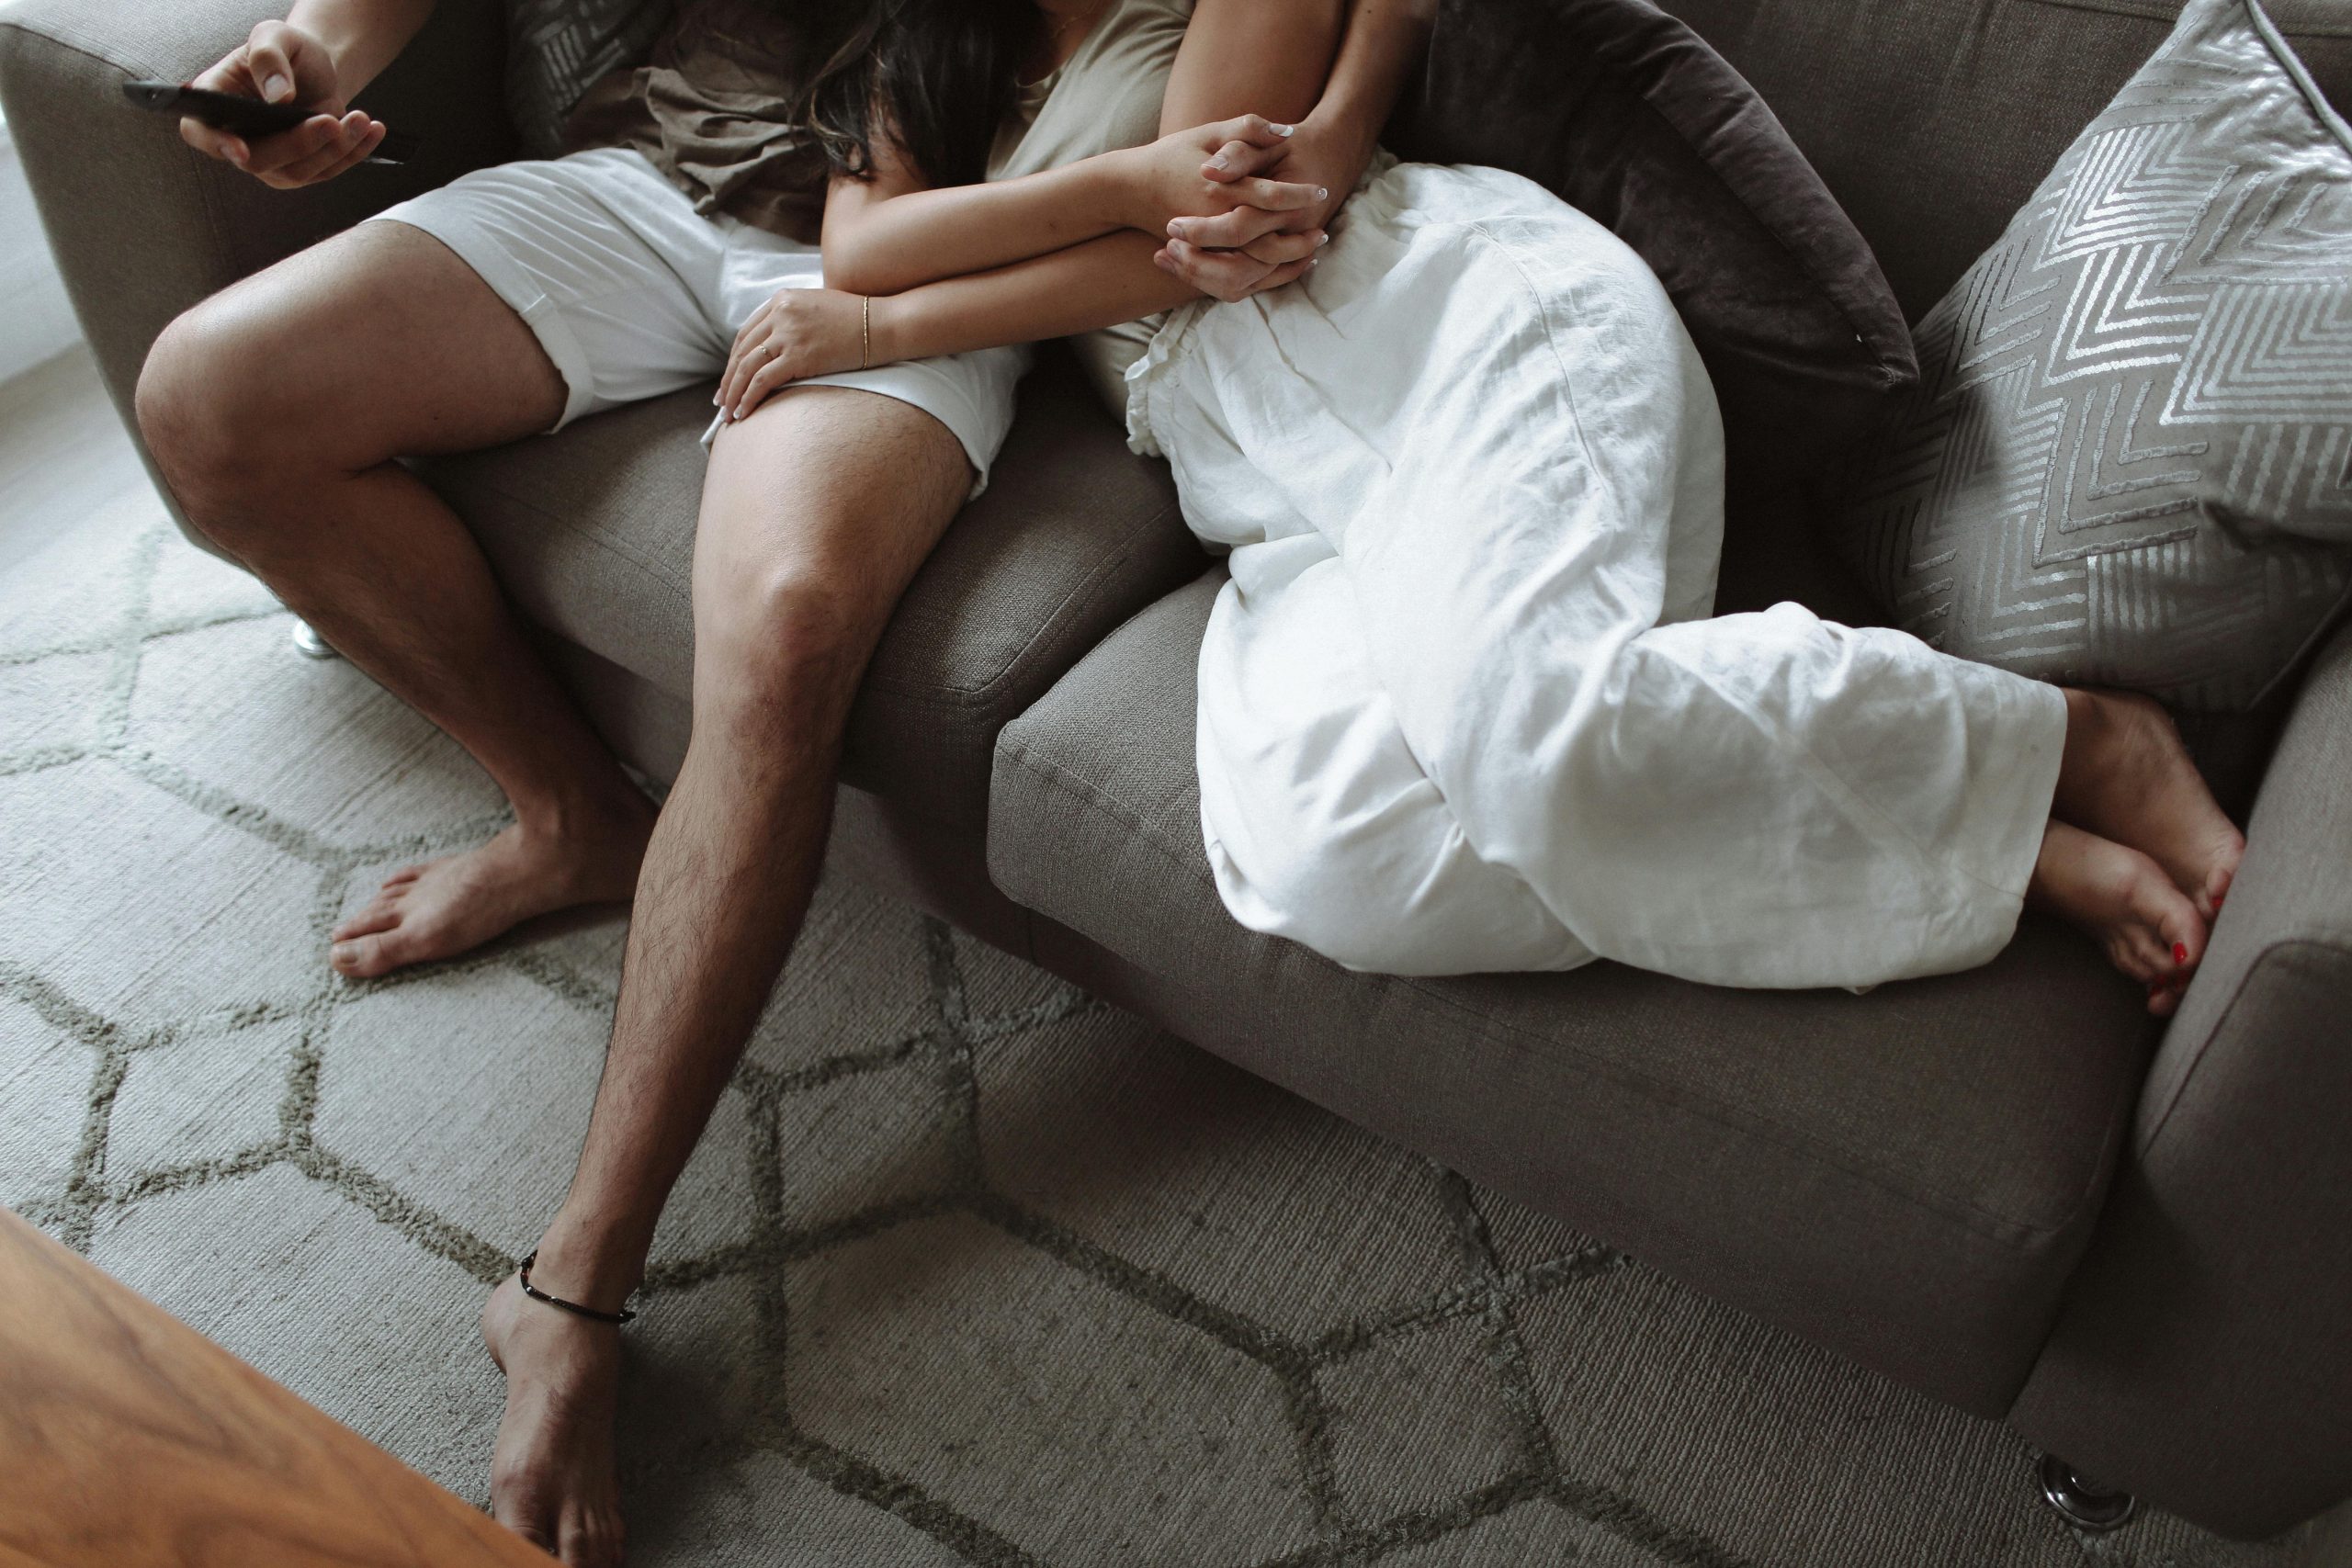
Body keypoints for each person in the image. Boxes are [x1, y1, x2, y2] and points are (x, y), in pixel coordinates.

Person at [131, 0, 1383, 1561]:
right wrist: (310, 51)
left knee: (790, 632)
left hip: (926, 260)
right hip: (656, 173)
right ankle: (571, 815)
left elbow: (1217, 174)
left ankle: (568, 1284)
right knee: (207, 396)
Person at [719, 0, 2246, 1012]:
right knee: (1325, 850)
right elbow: (869, 248)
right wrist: (1105, 194)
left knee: (1530, 743)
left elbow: (1205, 238)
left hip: (1454, 326)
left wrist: (914, 313)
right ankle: (1952, 806)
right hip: (1267, 487)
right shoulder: (908, 63)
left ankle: (2065, 752)